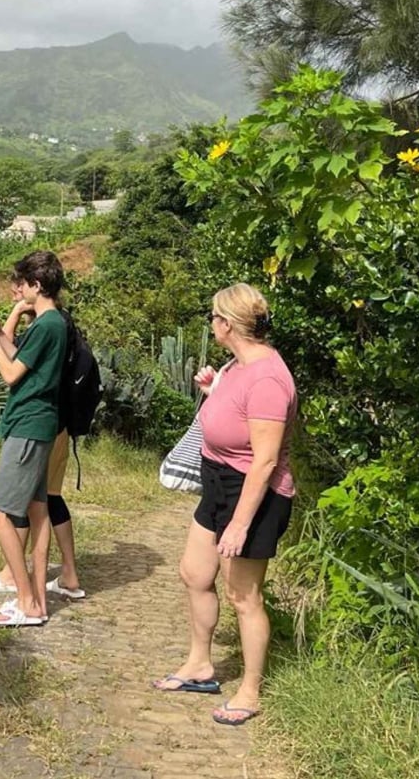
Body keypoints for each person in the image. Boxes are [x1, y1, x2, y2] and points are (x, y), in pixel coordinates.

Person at [152, 283, 295, 727]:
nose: (210, 323)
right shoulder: (239, 364)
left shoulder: (269, 377)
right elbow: (238, 417)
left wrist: (239, 524)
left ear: (226, 324)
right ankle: (200, 666)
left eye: (213, 316)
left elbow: (266, 460)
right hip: (218, 483)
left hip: (253, 493)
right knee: (195, 572)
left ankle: (250, 690)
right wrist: (217, 390)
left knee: (243, 595)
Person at [0, 250, 69, 627]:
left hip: (29, 424)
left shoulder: (47, 325)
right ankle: (38, 600)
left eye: (23, 284)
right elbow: (22, 360)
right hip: (39, 422)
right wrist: (0, 334)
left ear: (36, 285)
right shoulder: (53, 323)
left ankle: (27, 599)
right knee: (37, 509)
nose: (19, 291)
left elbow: (11, 375)